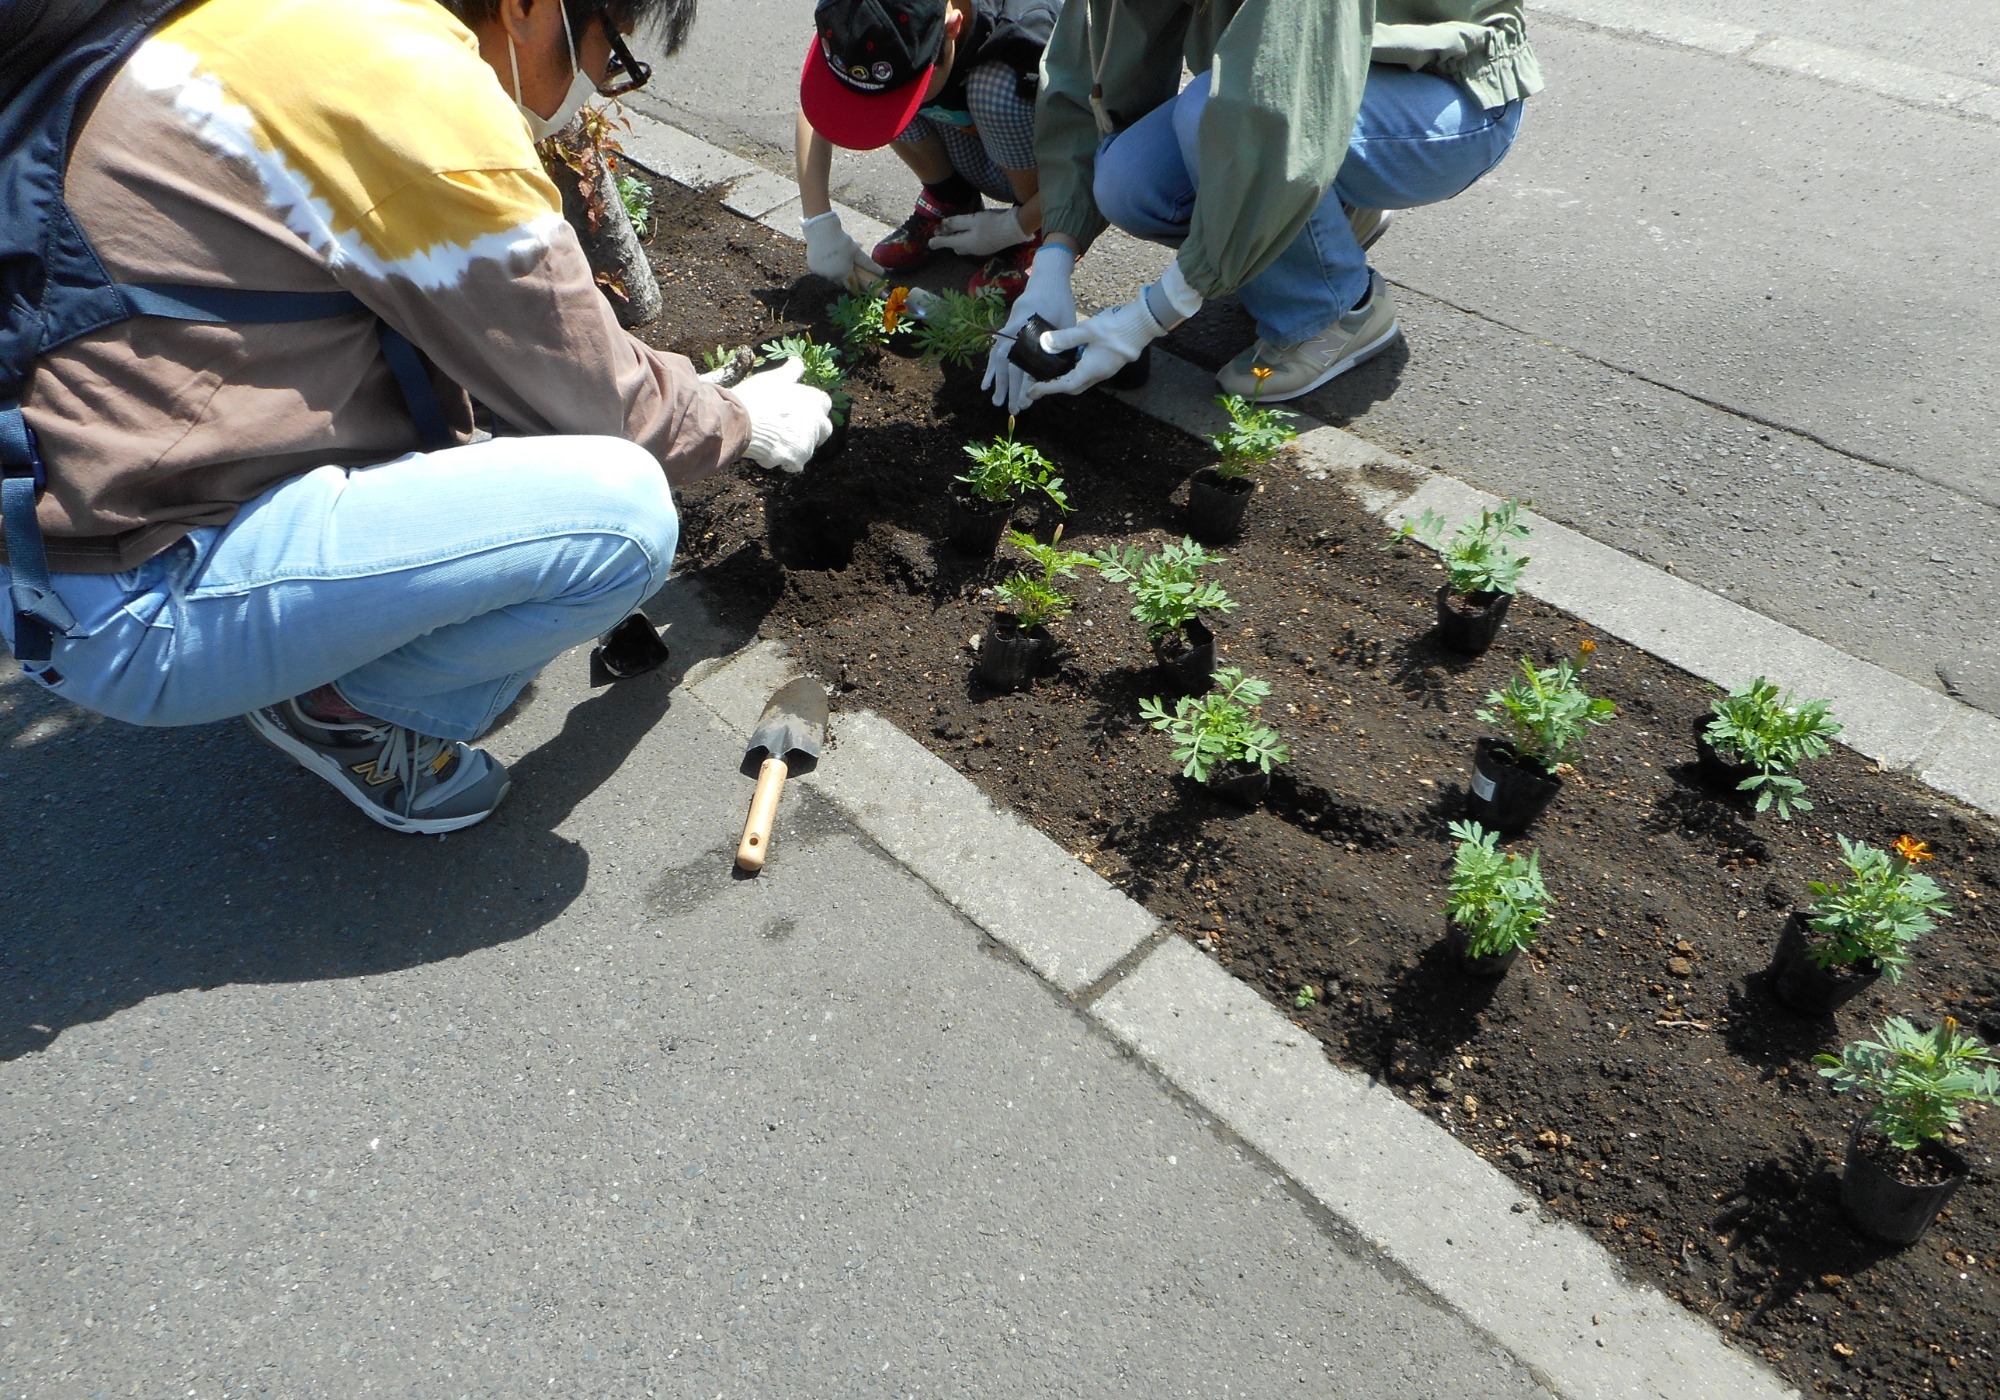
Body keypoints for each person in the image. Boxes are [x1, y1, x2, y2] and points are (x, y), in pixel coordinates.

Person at [0, 0, 834, 835]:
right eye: (608, 57)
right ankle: (341, 713)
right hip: (122, 607)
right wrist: (737, 420)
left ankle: (290, 655)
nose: (595, 90)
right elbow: (603, 402)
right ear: (529, 8)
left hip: (62, 540)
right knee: (621, 518)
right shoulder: (408, 84)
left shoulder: (284, 27)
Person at [985, 0, 1540, 411]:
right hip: (1305, 85)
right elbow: (1089, 66)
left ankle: (1337, 312)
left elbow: (1270, 112)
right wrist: (1054, 257)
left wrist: (1152, 315)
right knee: (1130, 184)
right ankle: (1324, 225)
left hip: (1448, 94)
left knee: (1211, 117)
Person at [794, 0, 1059, 303]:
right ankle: (950, 200)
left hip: (1043, 165)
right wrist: (818, 223)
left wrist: (1018, 224)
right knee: (877, 103)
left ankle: (1039, 236)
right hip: (967, 134)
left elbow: (1089, 166)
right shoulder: (855, 14)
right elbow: (821, 103)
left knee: (995, 92)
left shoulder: (1031, 34)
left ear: (952, 26)